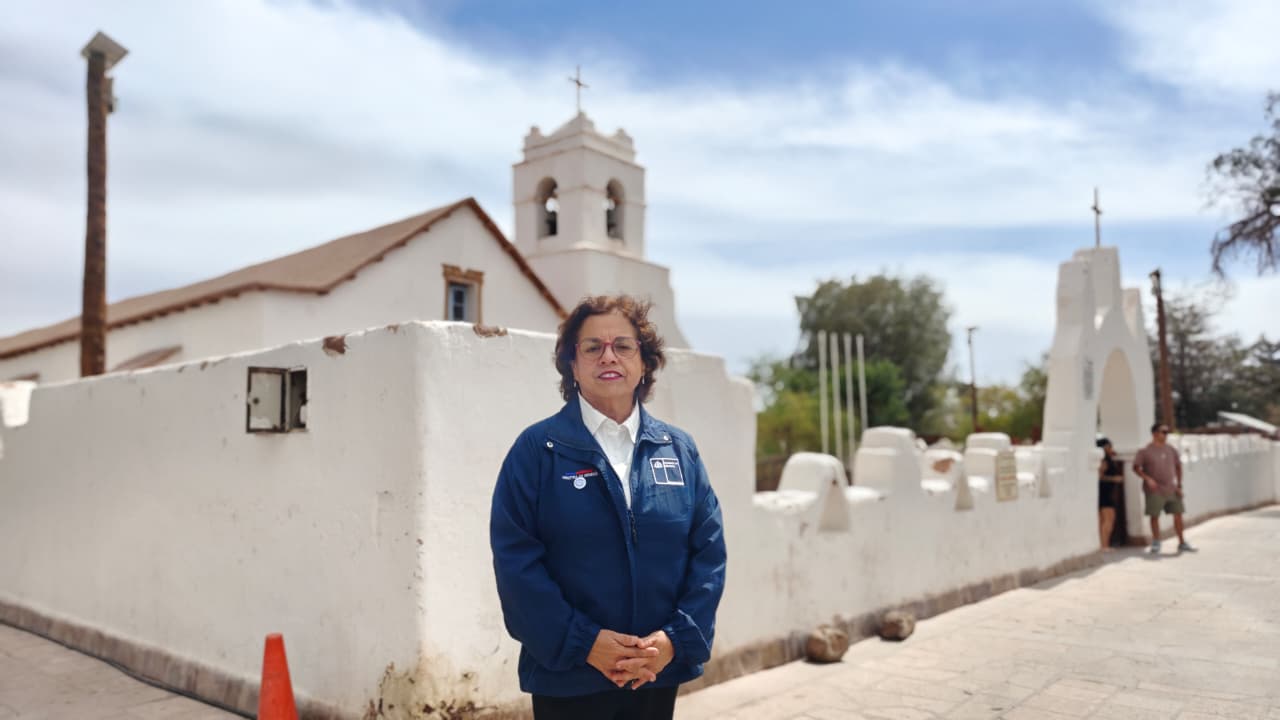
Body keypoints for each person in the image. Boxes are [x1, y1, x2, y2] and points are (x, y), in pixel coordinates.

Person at [490, 295, 727, 720]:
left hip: (655, 672)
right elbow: (516, 561)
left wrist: (672, 641)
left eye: (623, 345)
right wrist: (585, 643)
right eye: (592, 347)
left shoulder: (678, 450)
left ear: (644, 362)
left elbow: (707, 554)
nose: (608, 356)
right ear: (572, 364)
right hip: (570, 677)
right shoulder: (536, 450)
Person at [1132, 423, 1196, 555]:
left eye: (1167, 432)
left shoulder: (1171, 450)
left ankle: (1182, 542)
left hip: (1171, 488)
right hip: (1155, 490)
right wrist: (1148, 479)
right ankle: (1156, 542)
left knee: (1178, 514)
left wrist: (1178, 485)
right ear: (1155, 433)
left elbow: (1178, 467)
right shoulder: (1145, 451)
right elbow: (1136, 467)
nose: (1166, 434)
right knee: (1154, 515)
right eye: (1163, 432)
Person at [1096, 438, 1123, 550]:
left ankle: (1103, 545)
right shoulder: (1104, 461)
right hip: (1105, 493)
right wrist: (1114, 479)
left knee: (1104, 520)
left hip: (1104, 493)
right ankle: (1104, 545)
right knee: (1108, 520)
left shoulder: (1107, 459)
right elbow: (1099, 477)